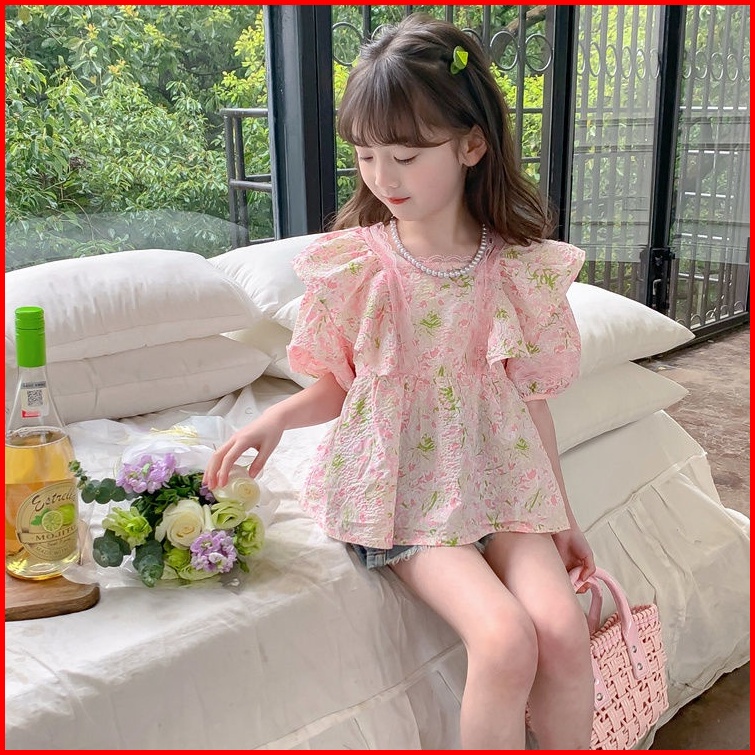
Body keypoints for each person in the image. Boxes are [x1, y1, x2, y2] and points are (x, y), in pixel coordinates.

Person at [204, 13, 595, 750]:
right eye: (366, 155)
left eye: (407, 156)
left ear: (472, 145)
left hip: (501, 479)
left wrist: (561, 517)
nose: (384, 177)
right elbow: (339, 386)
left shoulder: (514, 267)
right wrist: (270, 420)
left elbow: (529, 402)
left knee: (563, 632)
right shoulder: (360, 266)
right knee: (506, 639)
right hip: (400, 492)